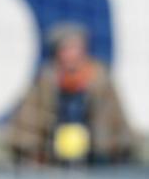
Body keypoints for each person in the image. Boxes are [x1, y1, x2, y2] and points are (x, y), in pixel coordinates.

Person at [9, 22, 135, 165]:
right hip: (53, 157)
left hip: (96, 156)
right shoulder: (45, 80)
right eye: (66, 49)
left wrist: (113, 149)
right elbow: (29, 120)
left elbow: (115, 120)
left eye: (75, 49)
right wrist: (33, 151)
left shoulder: (100, 80)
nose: (71, 55)